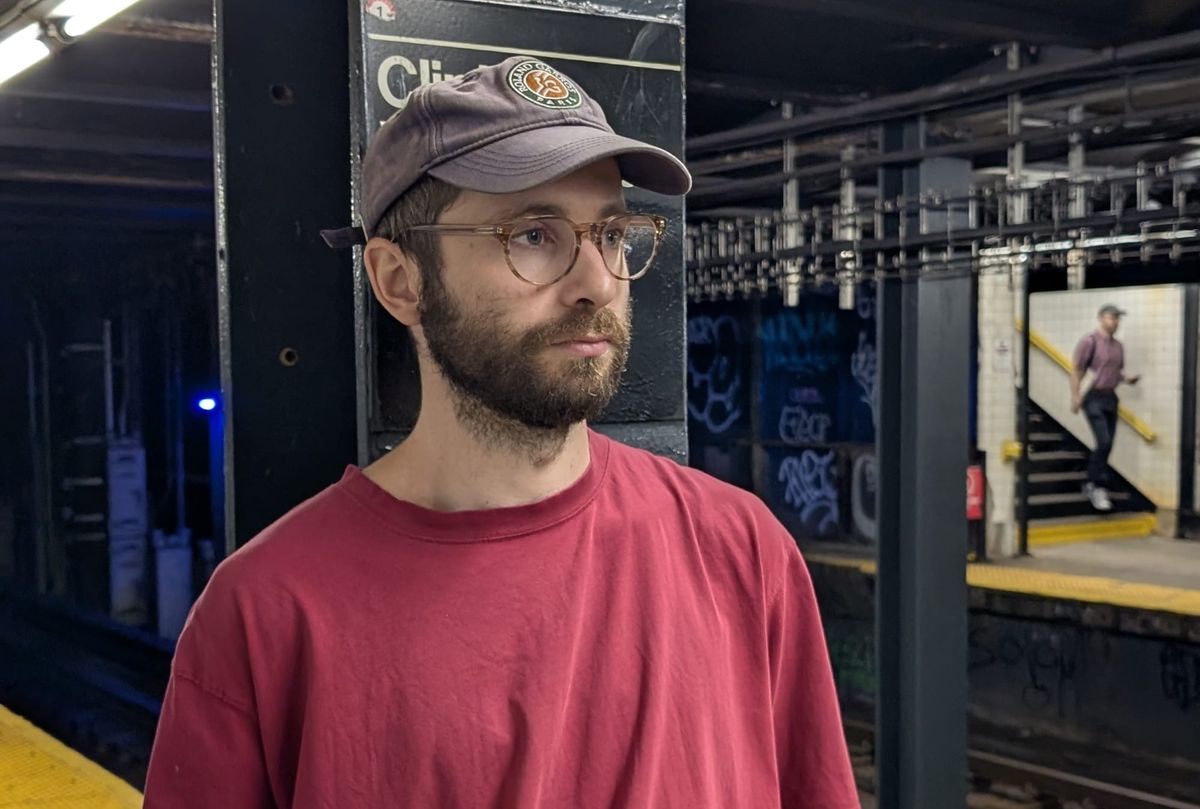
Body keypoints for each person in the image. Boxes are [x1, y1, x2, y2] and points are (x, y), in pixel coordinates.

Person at [143, 57, 858, 809]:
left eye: (612, 234)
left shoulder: (742, 551)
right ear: (400, 281)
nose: (597, 283)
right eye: (534, 235)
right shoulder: (264, 616)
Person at [1070, 304, 1140, 511]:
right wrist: (1076, 396)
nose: (1115, 322)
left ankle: (1091, 481)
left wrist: (1127, 379)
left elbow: (1115, 372)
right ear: (1101, 318)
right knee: (1104, 440)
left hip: (1111, 397)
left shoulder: (1118, 347)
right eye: (1112, 317)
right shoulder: (1089, 341)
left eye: (1117, 318)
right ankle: (1096, 485)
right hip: (1093, 397)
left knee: (1108, 445)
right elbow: (1077, 370)